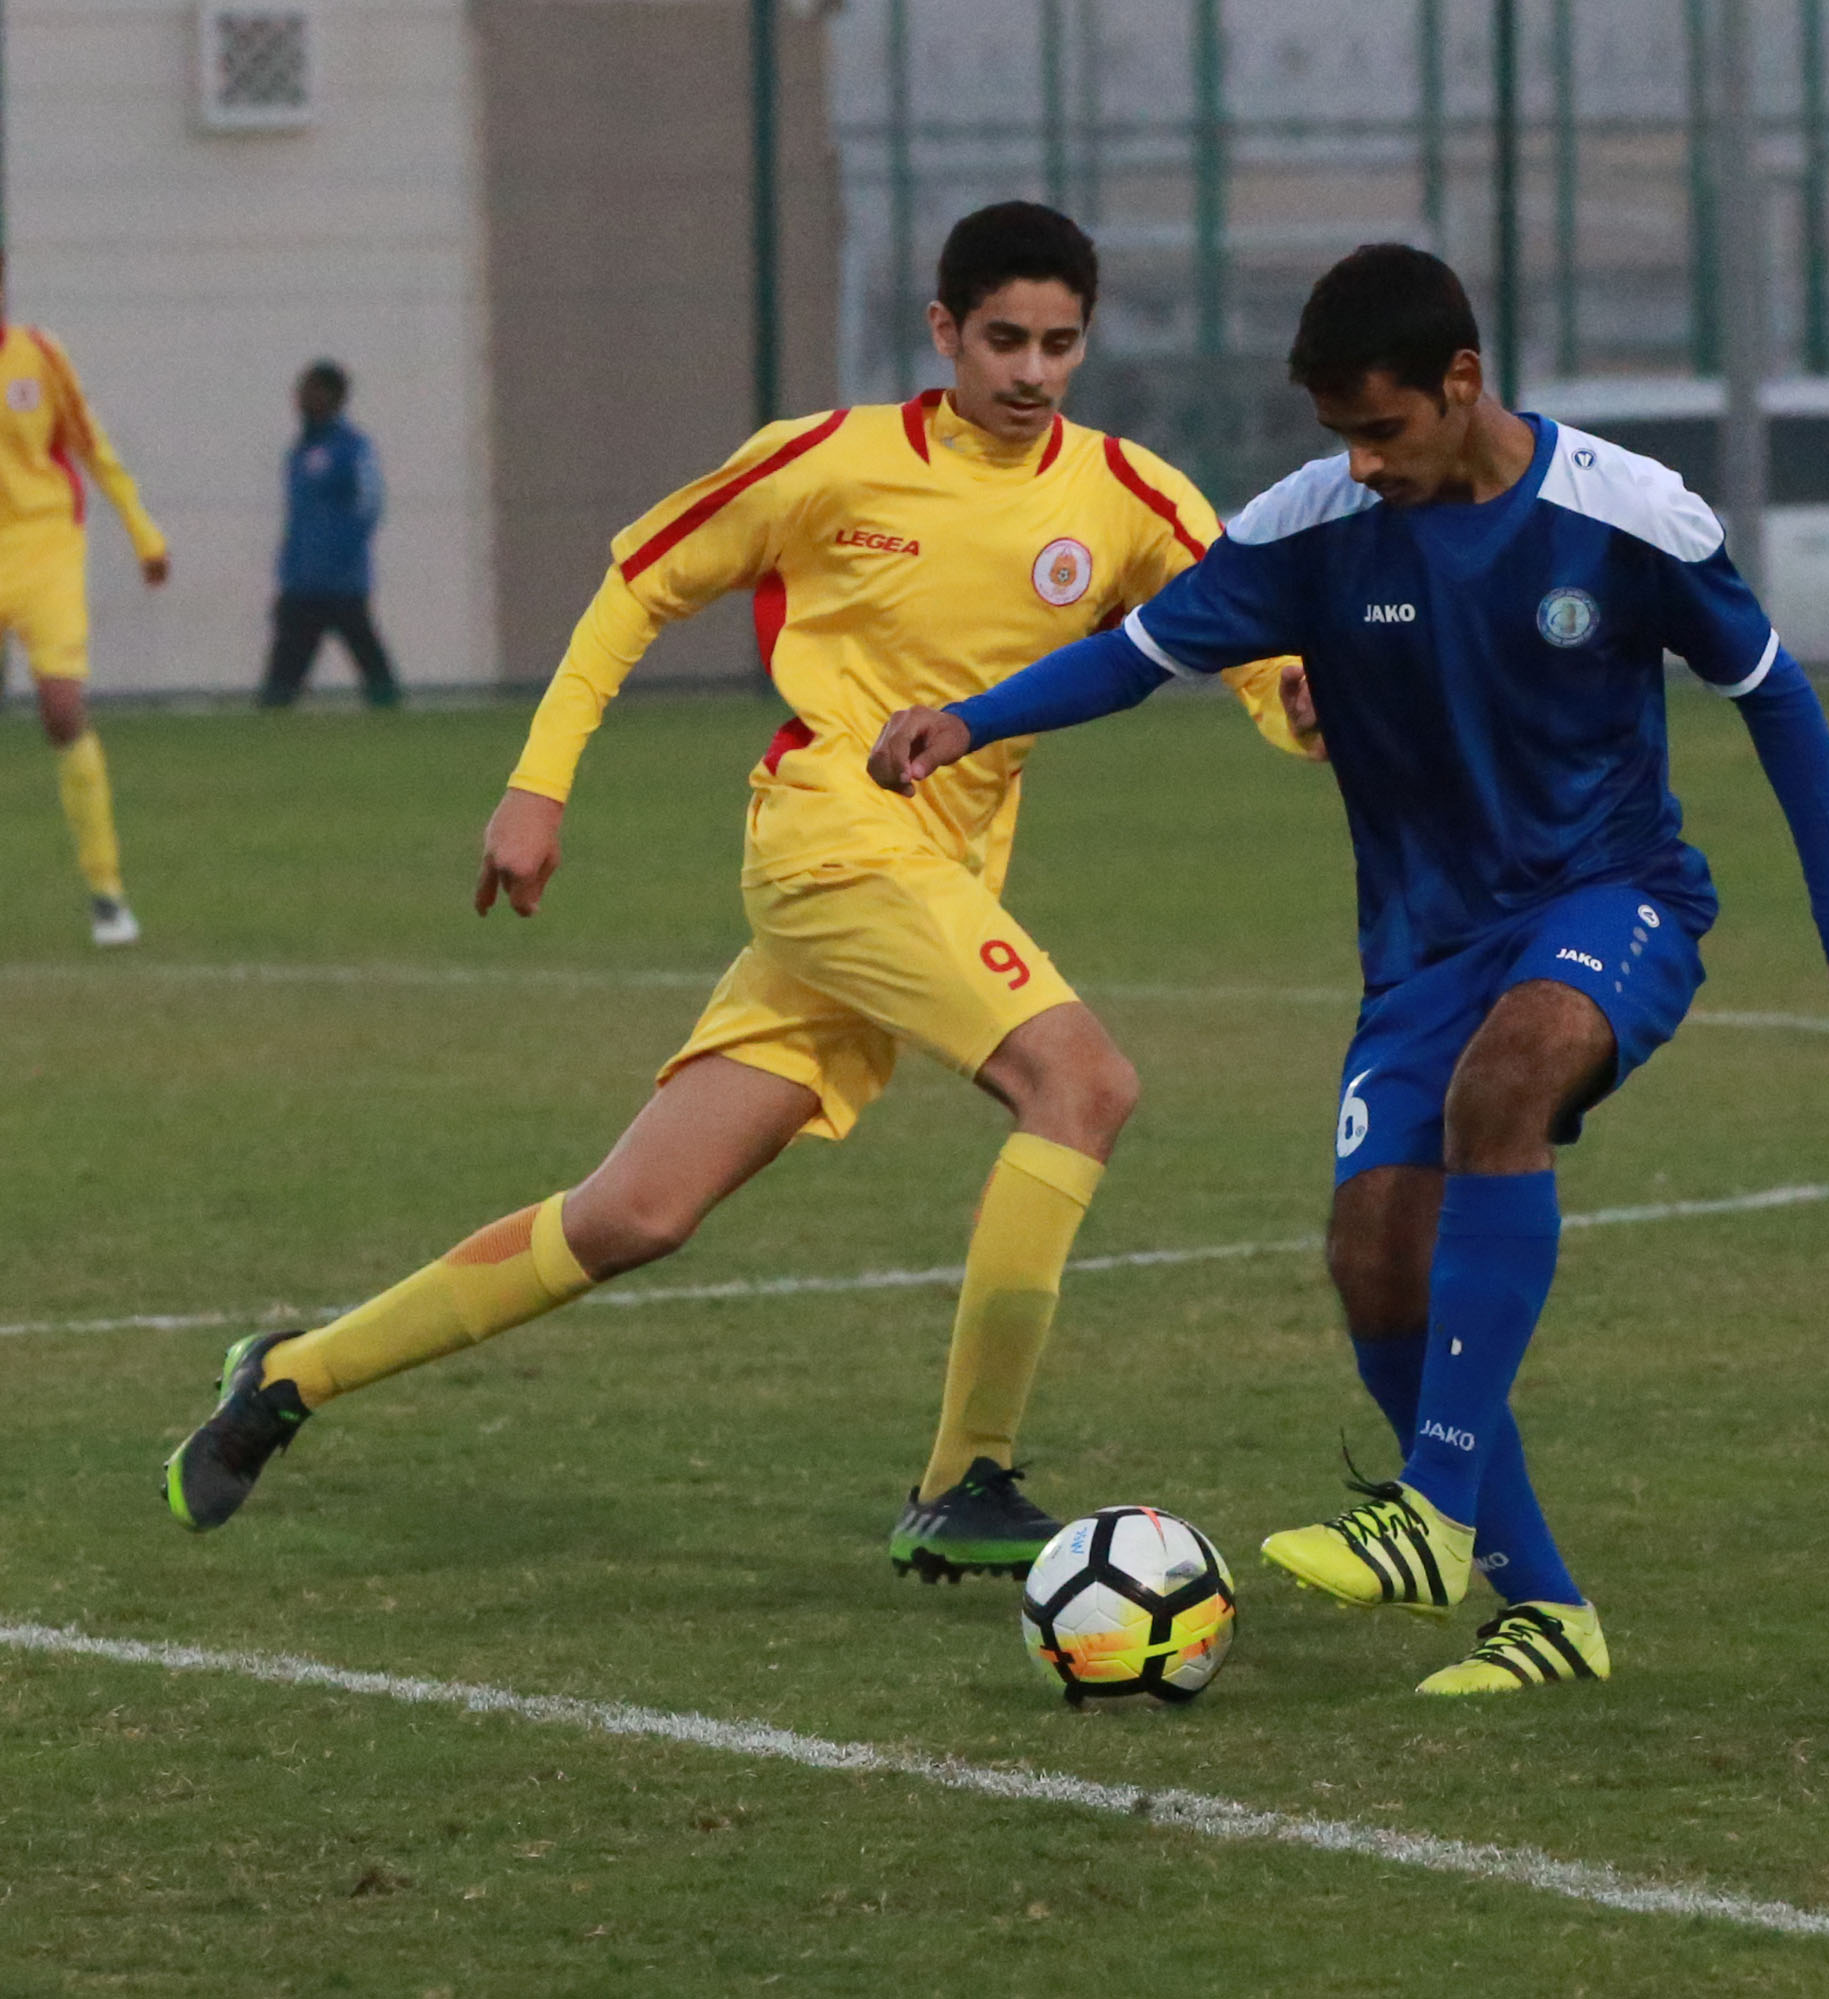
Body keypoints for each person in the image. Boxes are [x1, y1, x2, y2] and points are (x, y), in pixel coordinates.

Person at [165, 202, 1311, 1571]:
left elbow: (1252, 643)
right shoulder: (827, 460)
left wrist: (1309, 703)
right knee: (1083, 1084)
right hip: (831, 840)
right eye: (1002, 339)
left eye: (1057, 345)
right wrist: (538, 783)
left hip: (922, 881)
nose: (1029, 371)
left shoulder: (1127, 492)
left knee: (634, 1212)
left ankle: (287, 1377)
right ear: (943, 331)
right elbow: (637, 586)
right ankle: (966, 1477)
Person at [870, 243, 1829, 1694]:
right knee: (1373, 1259)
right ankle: (1547, 1614)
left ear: (1462, 381)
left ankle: (1428, 1510)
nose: (1361, 463)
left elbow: (1774, 696)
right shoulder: (1310, 527)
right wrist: (972, 719)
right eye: (1339, 436)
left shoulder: (1624, 512)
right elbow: (1135, 655)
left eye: (1382, 429)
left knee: (1508, 1076)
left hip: (1610, 896)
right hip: (1423, 950)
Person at [0, 250, 168, 947]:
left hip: (45, 547)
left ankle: (106, 891)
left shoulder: (38, 356)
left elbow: (91, 446)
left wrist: (143, 532)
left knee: (62, 708)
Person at [259, 361, 400, 708]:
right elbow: (297, 519)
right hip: (301, 585)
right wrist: (288, 570)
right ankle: (269, 726)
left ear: (331, 396)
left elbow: (370, 505)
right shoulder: (299, 450)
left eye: (309, 390)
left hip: (343, 584)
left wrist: (340, 555)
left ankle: (394, 716)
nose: (300, 398)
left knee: (372, 665)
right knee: (281, 681)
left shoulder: (352, 447)